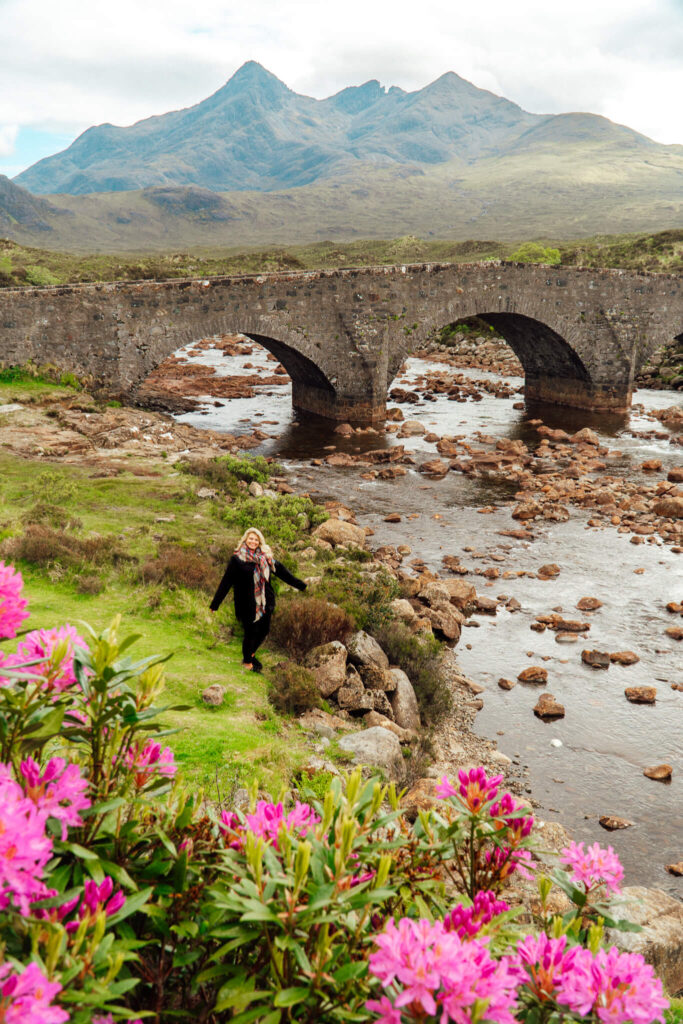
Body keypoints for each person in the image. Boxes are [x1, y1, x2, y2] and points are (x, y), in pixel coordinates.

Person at [209, 527, 306, 671]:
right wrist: (215, 604)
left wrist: (300, 585)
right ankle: (247, 662)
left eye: (256, 539)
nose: (253, 542)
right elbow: (226, 582)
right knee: (250, 632)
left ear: (259, 542)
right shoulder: (237, 559)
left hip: (266, 602)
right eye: (250, 539)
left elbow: (283, 573)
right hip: (246, 603)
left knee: (264, 631)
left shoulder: (265, 558)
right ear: (245, 540)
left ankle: (251, 655)